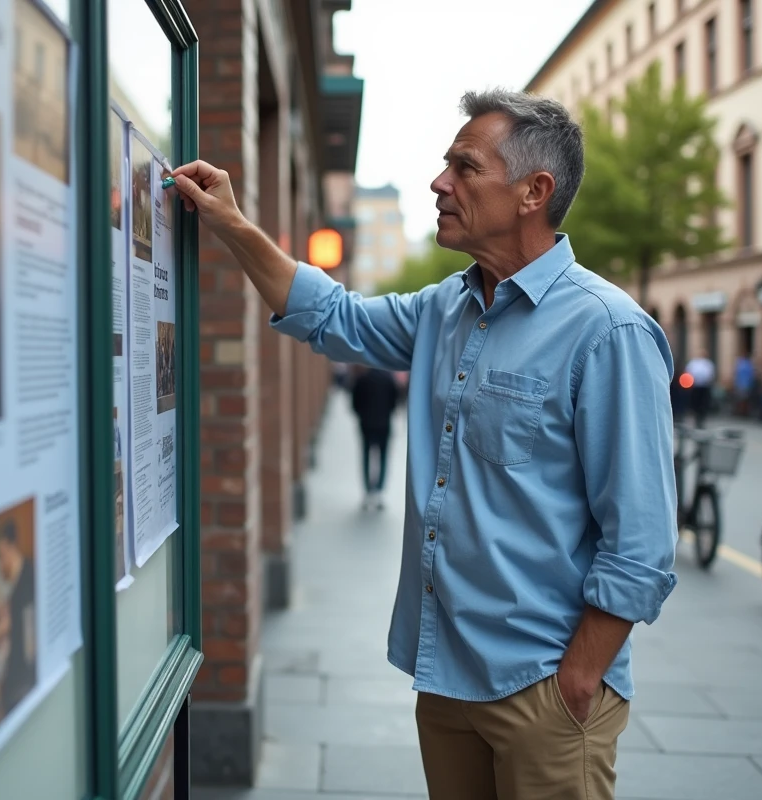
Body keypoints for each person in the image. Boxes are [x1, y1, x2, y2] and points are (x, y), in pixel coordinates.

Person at [170, 89, 677, 800]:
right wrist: (231, 223)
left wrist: (579, 677)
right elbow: (331, 315)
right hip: (445, 676)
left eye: (465, 168)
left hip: (546, 688)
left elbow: (643, 540)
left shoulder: (608, 331)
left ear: (533, 192)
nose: (440, 183)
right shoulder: (445, 307)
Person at [0, 520, 36, 715]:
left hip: (23, 680)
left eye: (1, 555)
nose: (0, 563)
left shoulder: (28, 580)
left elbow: (28, 642)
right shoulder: (14, 584)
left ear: (11, 547)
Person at [350, 364, 400, 510]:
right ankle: (379, 491)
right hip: (384, 424)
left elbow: (355, 403)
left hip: (366, 424)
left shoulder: (362, 379)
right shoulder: (389, 379)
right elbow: (394, 403)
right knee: (383, 457)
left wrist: (362, 415)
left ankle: (367, 490)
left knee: (366, 456)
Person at [684, 350, 716, 428]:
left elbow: (711, 374)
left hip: (704, 386)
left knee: (703, 403)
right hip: (695, 386)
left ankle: (701, 418)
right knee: (695, 403)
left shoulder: (708, 364)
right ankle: (696, 418)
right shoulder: (694, 363)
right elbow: (688, 372)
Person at [733, 351, 755, 417]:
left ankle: (744, 411)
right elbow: (736, 374)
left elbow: (751, 374)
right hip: (740, 384)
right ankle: (740, 411)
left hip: (745, 384)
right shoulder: (740, 363)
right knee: (740, 398)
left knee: (745, 398)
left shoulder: (747, 364)